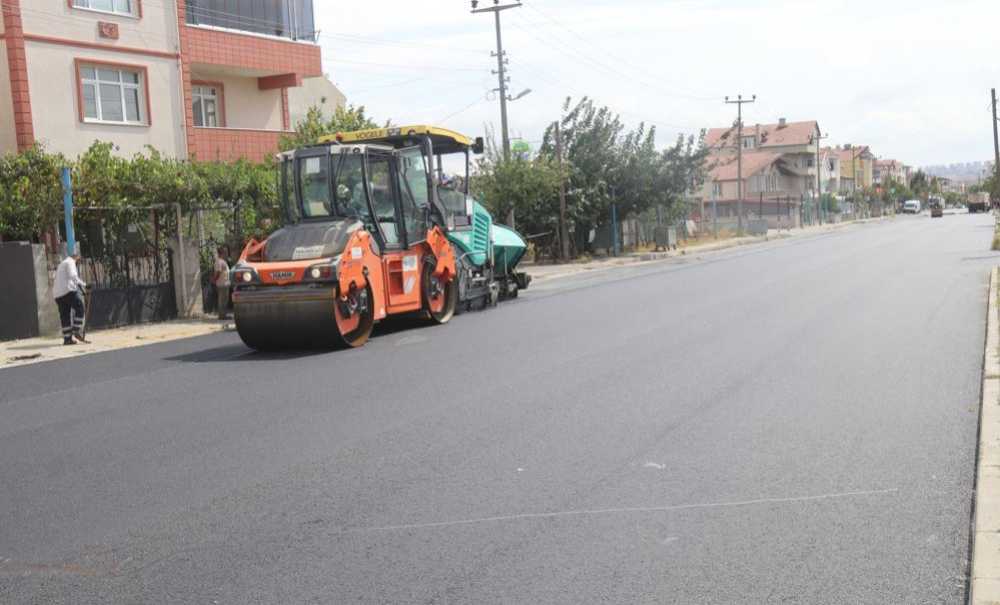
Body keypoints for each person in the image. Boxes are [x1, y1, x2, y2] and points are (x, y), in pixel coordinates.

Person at [53, 250, 88, 345]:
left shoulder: (63, 263)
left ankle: (67, 339)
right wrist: (85, 285)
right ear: (77, 257)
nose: (78, 262)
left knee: (65, 316)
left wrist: (82, 289)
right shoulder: (71, 262)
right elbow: (73, 276)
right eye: (79, 260)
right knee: (80, 307)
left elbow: (71, 280)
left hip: (57, 294)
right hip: (67, 291)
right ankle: (76, 330)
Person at [213, 247, 231, 320]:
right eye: (225, 252)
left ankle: (224, 314)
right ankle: (222, 316)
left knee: (224, 300)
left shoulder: (222, 261)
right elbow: (218, 272)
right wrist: (214, 280)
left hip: (225, 283)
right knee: (222, 300)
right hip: (222, 284)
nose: (227, 254)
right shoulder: (219, 261)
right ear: (222, 253)